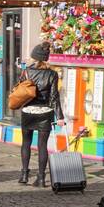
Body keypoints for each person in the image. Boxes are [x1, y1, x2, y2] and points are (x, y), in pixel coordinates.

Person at [18, 43, 63, 187]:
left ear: (34, 57)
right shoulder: (52, 74)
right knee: (42, 145)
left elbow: (20, 91)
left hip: (28, 111)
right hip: (45, 112)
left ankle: (24, 175)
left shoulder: (26, 72)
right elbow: (54, 97)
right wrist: (60, 116)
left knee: (26, 143)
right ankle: (42, 178)